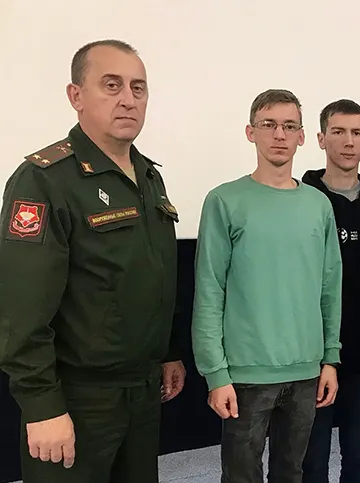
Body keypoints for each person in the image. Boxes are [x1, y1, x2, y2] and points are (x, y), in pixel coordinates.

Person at [0, 39, 186, 483]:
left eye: (138, 88)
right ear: (76, 96)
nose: (128, 99)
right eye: (112, 85)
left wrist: (168, 353)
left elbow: (151, 276)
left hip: (142, 391)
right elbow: (21, 309)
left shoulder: (148, 176)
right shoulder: (44, 180)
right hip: (78, 397)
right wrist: (42, 405)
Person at [191, 89, 343, 483]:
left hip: (306, 370)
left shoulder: (318, 205)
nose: (279, 134)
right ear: (250, 132)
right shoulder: (224, 201)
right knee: (241, 477)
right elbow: (209, 290)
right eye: (269, 124)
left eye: (289, 126)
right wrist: (215, 373)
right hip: (246, 374)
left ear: (302, 136)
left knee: (291, 473)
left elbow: (330, 288)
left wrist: (330, 358)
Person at [301, 99, 360, 483]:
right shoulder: (299, 200)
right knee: (310, 463)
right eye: (338, 132)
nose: (348, 141)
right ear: (321, 139)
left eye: (356, 133)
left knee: (359, 460)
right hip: (308, 355)